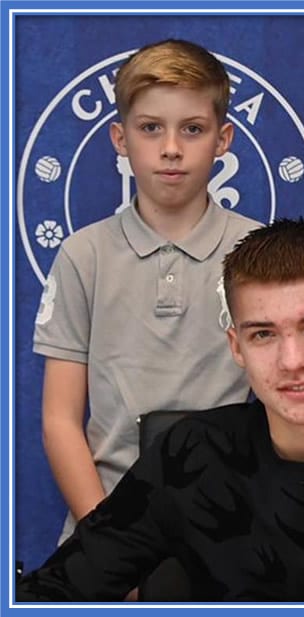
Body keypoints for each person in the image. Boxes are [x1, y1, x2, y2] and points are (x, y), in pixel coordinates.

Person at [19, 217, 304, 602]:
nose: (293, 360)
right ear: (237, 347)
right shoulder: (190, 458)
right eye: (263, 334)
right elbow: (54, 594)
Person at [32, 38, 261, 547]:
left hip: (235, 535)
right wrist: (111, 544)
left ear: (223, 140)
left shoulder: (260, 252)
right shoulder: (83, 255)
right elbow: (60, 419)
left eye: (193, 129)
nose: (171, 148)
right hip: (103, 531)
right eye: (150, 128)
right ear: (120, 137)